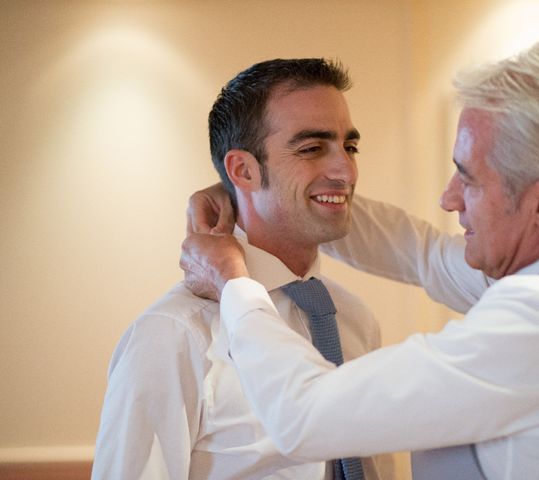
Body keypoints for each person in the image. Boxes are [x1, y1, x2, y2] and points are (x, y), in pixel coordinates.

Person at [180, 36, 539, 480]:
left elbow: (304, 416)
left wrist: (233, 283)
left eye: (469, 178)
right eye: (313, 148)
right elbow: (422, 254)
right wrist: (259, 191)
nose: (448, 199)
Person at [92, 58, 394, 479]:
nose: (345, 170)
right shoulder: (173, 335)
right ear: (242, 170)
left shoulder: (356, 320)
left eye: (350, 147)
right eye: (312, 148)